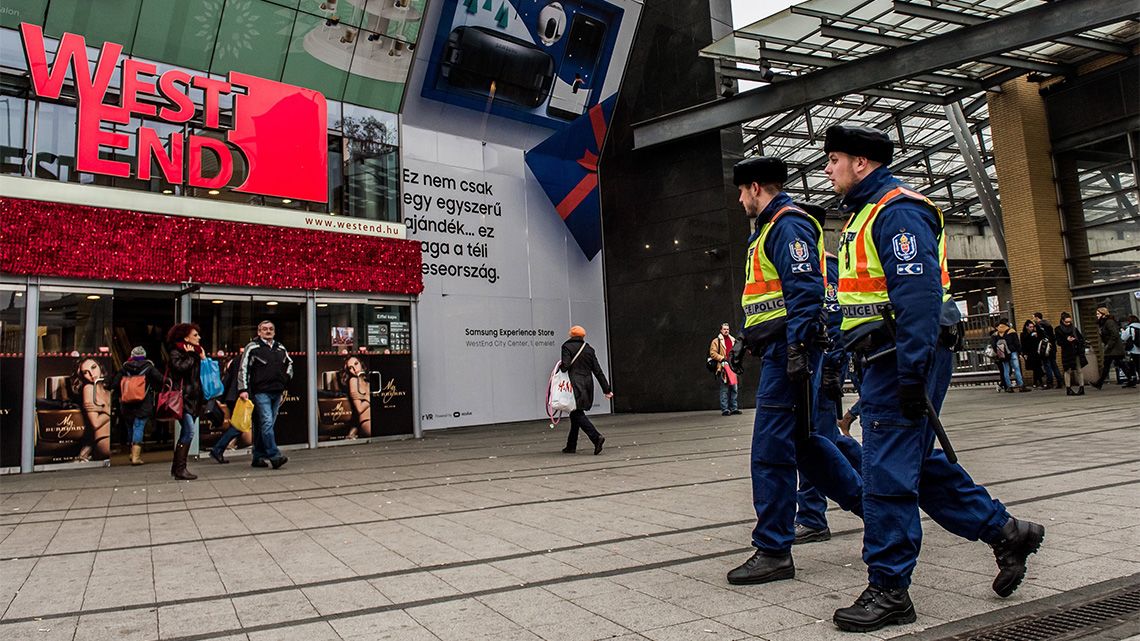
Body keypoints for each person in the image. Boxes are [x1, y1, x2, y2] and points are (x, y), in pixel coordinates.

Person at [824, 124, 1044, 632]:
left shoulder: (897, 210)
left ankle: (890, 588)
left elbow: (918, 299)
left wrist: (910, 373)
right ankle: (1007, 532)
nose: (829, 169)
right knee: (914, 464)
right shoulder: (868, 213)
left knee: (886, 475)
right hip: (886, 358)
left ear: (861, 162)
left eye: (835, 159)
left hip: (898, 357)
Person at [725, 157, 864, 586]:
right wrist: (749, 339)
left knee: (770, 451)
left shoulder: (788, 223)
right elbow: (770, 299)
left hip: (790, 355)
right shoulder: (769, 229)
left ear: (754, 187)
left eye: (742, 192)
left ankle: (773, 548)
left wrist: (799, 351)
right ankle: (878, 513)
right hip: (780, 351)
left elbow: (805, 293)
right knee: (808, 447)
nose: (739, 200)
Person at [794, 203, 846, 545]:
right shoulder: (806, 265)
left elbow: (838, 320)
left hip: (822, 370)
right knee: (822, 442)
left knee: (816, 443)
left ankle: (813, 515)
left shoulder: (829, 268)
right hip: (806, 370)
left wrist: (833, 370)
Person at [238, 321, 292, 469]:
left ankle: (257, 457)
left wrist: (285, 381)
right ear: (259, 331)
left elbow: (290, 364)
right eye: (264, 329)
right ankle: (275, 456)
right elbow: (243, 368)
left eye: (270, 329)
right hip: (261, 392)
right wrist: (243, 389)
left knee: (266, 425)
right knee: (267, 423)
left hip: (277, 391)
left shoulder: (280, 347)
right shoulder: (253, 347)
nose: (268, 331)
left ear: (274, 332)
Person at [105, 346, 165, 465]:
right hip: (143, 402)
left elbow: (115, 384)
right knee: (139, 426)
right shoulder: (149, 367)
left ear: (132, 356)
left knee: (130, 427)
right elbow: (160, 379)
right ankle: (136, 457)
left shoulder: (124, 368)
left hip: (127, 403)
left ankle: (132, 453)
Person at [559, 325, 612, 454]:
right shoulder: (589, 349)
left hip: (573, 384)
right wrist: (607, 390)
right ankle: (571, 445)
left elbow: (565, 367)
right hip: (587, 384)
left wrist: (560, 366)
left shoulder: (566, 347)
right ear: (583, 336)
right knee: (575, 414)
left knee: (576, 413)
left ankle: (596, 437)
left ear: (571, 335)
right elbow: (597, 371)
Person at [167, 323, 206, 480]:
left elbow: (204, 375)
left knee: (186, 432)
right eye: (195, 335)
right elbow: (179, 369)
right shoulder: (176, 352)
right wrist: (191, 356)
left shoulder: (197, 352)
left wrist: (202, 358)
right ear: (186, 337)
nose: (199, 337)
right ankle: (180, 469)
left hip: (195, 399)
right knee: (189, 432)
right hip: (183, 399)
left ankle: (176, 468)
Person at [69, 358, 112, 462]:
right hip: (103, 440)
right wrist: (109, 410)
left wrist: (104, 409)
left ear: (100, 367)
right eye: (85, 372)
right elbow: (96, 423)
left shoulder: (108, 392)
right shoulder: (88, 388)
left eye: (93, 367)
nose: (91, 374)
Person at [1092, 307, 1135, 389]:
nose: (1097, 315)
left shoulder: (1109, 322)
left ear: (1103, 314)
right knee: (1119, 364)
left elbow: (1114, 334)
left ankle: (1099, 383)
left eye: (1098, 314)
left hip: (1113, 349)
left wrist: (1108, 345)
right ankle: (1131, 379)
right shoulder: (1103, 323)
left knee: (1108, 365)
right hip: (1112, 348)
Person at [709, 323, 740, 416]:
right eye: (724, 329)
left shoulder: (733, 340)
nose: (726, 331)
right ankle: (725, 409)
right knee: (724, 389)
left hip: (732, 367)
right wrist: (722, 358)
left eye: (728, 329)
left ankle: (734, 408)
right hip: (723, 367)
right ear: (721, 330)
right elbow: (712, 353)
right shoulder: (716, 341)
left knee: (734, 388)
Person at [992, 319, 1029, 393]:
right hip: (1012, 352)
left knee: (1006, 370)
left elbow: (993, 345)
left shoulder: (996, 334)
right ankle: (1021, 386)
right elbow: (1017, 343)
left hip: (1002, 354)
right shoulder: (1011, 331)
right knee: (1017, 369)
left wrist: (999, 352)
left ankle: (1009, 387)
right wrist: (1020, 352)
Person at [340, 356, 372, 438]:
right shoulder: (353, 381)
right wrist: (369, 397)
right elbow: (359, 409)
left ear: (361, 363)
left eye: (356, 364)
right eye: (350, 368)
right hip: (367, 421)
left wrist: (366, 397)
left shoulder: (367, 381)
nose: (354, 369)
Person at [1055, 312, 1087, 395]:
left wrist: (1075, 340)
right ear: (1062, 321)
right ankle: (1068, 388)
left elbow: (1081, 339)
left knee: (1079, 369)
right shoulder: (1058, 329)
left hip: (1076, 350)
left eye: (1069, 321)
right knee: (1067, 370)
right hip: (1067, 351)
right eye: (1066, 322)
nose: (1068, 323)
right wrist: (1066, 340)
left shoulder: (1074, 328)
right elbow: (1059, 342)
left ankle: (1082, 387)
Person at [1032, 313, 1063, 389]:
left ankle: (1050, 382)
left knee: (1047, 365)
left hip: (1045, 347)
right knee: (1054, 364)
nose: (1033, 319)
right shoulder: (1048, 324)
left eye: (1033, 317)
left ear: (1037, 318)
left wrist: (1036, 335)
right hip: (1052, 347)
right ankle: (1059, 381)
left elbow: (1040, 336)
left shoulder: (1039, 325)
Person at [1020, 320, 1043, 388]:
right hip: (1029, 353)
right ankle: (1038, 382)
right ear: (1026, 327)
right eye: (1030, 327)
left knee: (1037, 367)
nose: (1032, 328)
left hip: (1036, 352)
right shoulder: (1023, 334)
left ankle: (1036, 382)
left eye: (1032, 327)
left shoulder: (1035, 333)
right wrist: (1024, 354)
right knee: (1035, 368)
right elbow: (1023, 344)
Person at [1124, 315, 1140, 388]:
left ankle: (1134, 379)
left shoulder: (1130, 328)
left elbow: (1123, 337)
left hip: (1134, 349)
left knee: (1134, 365)